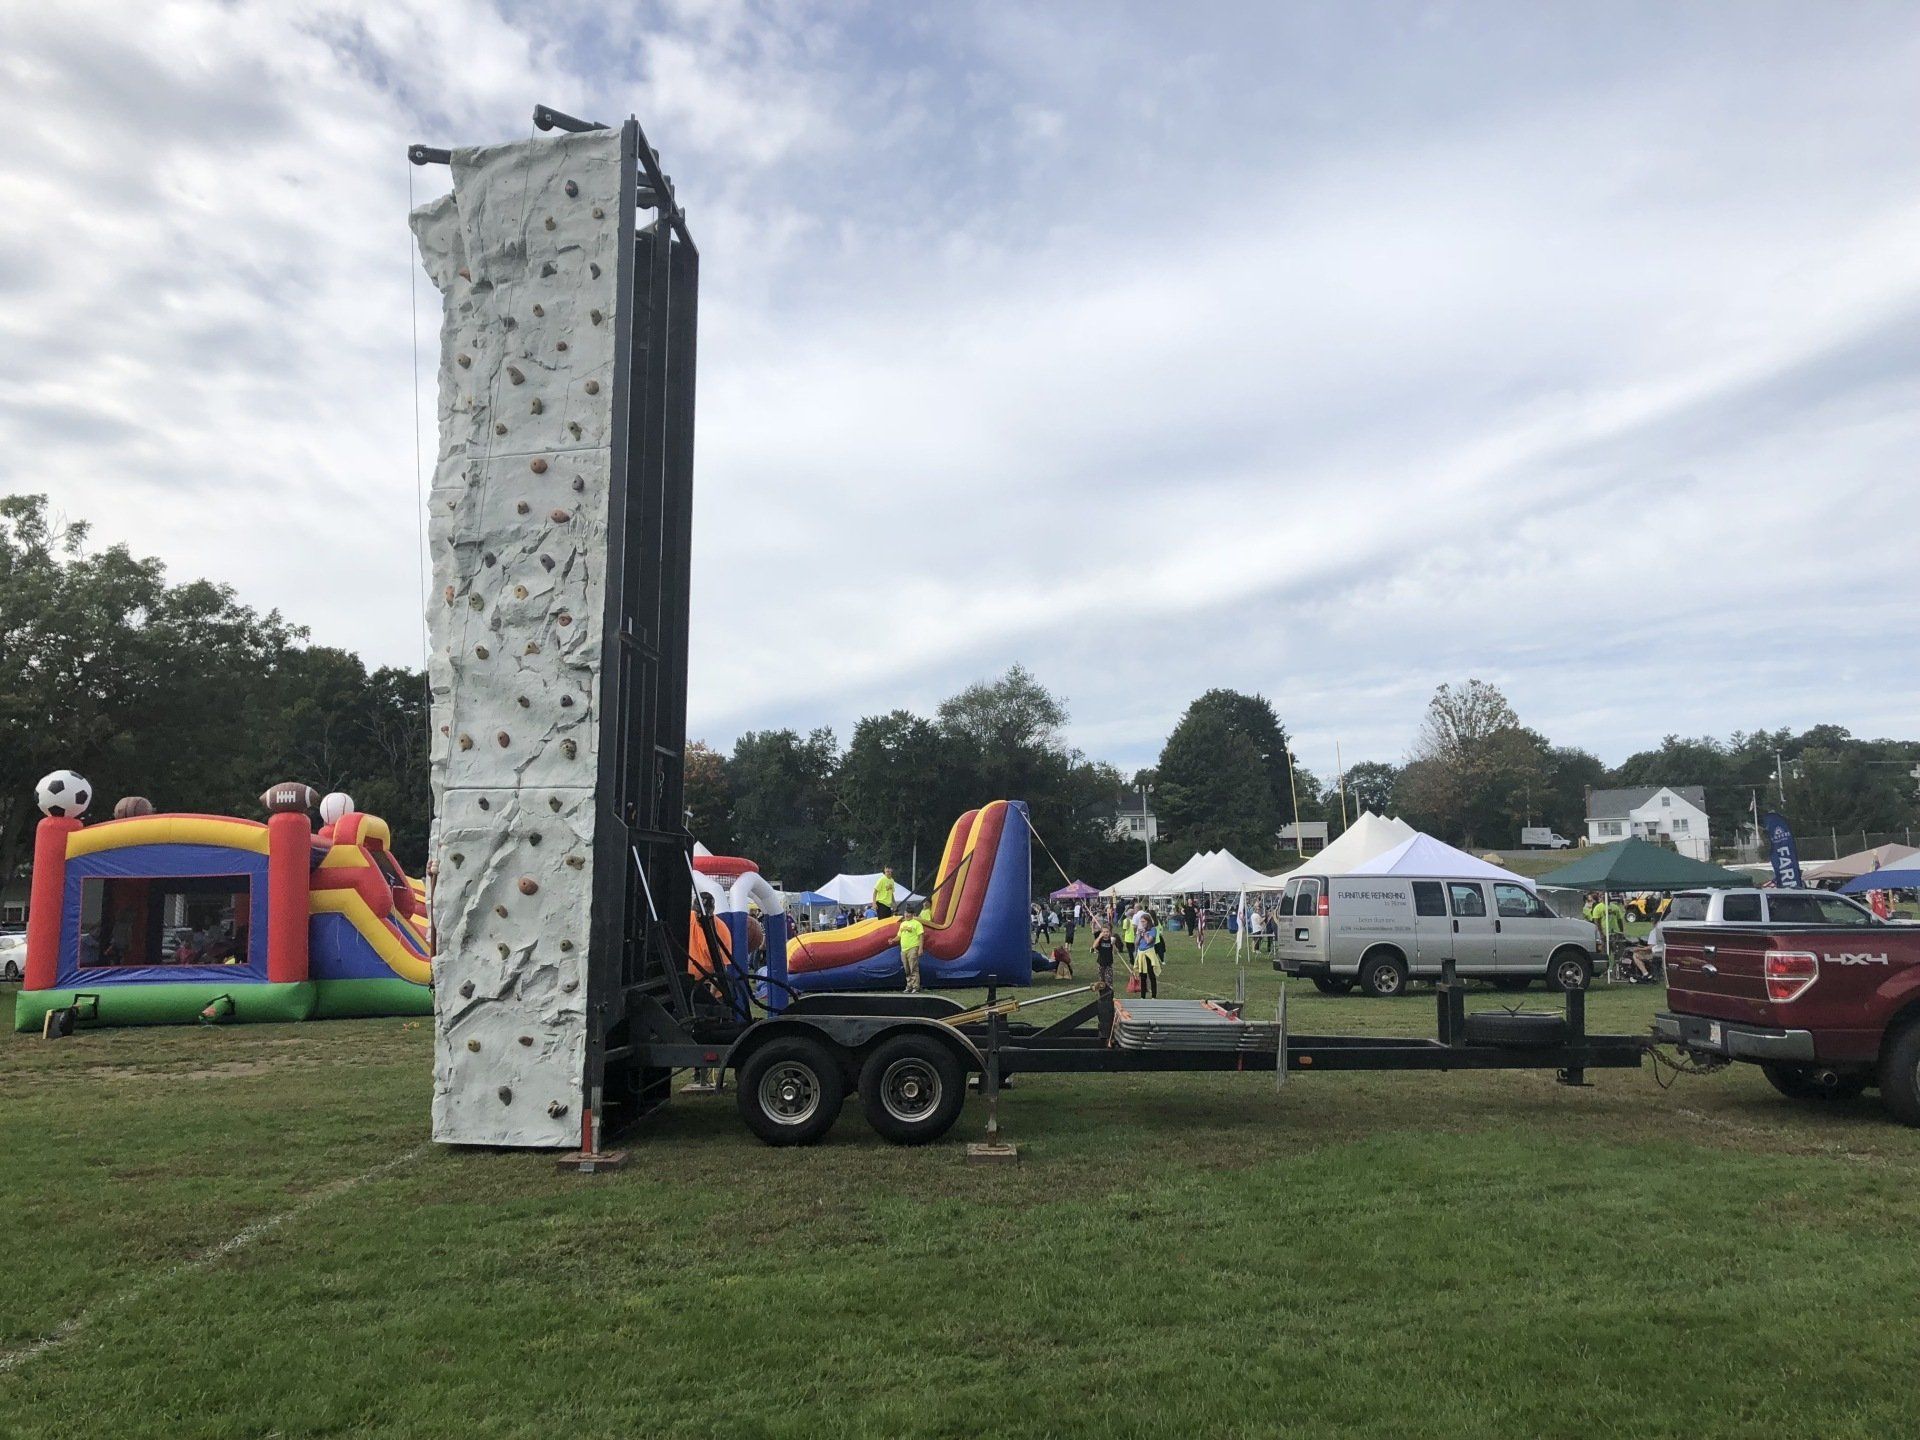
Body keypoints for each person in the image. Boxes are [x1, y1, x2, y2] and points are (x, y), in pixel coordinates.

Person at [897, 903, 926, 993]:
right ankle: (909, 986)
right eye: (906, 912)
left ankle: (916, 987)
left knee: (913, 967)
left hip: (913, 948)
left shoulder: (917, 924)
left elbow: (921, 936)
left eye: (909, 913)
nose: (907, 914)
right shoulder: (902, 924)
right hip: (903, 949)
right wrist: (893, 940)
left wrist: (920, 948)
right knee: (906, 968)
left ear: (912, 914)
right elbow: (899, 936)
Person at [1134, 906, 1161, 998]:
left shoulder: (1153, 930)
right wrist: (1139, 935)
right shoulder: (1141, 930)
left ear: (1148, 921)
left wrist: (1144, 933)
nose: (1142, 923)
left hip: (1148, 953)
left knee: (1150, 974)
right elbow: (1136, 943)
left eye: (1143, 922)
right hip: (1141, 953)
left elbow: (1149, 941)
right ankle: (1143, 996)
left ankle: (1154, 995)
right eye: (1141, 922)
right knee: (1142, 975)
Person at [1092, 924, 1115, 992]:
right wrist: (1099, 937)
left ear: (1110, 932)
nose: (1106, 933)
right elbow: (1094, 946)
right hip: (1101, 963)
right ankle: (1102, 995)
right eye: (1104, 932)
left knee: (1109, 981)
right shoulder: (1100, 940)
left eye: (1107, 932)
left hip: (1109, 963)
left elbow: (1116, 952)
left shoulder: (1111, 940)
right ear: (1102, 932)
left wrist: (1113, 944)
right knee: (1101, 981)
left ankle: (1109, 994)